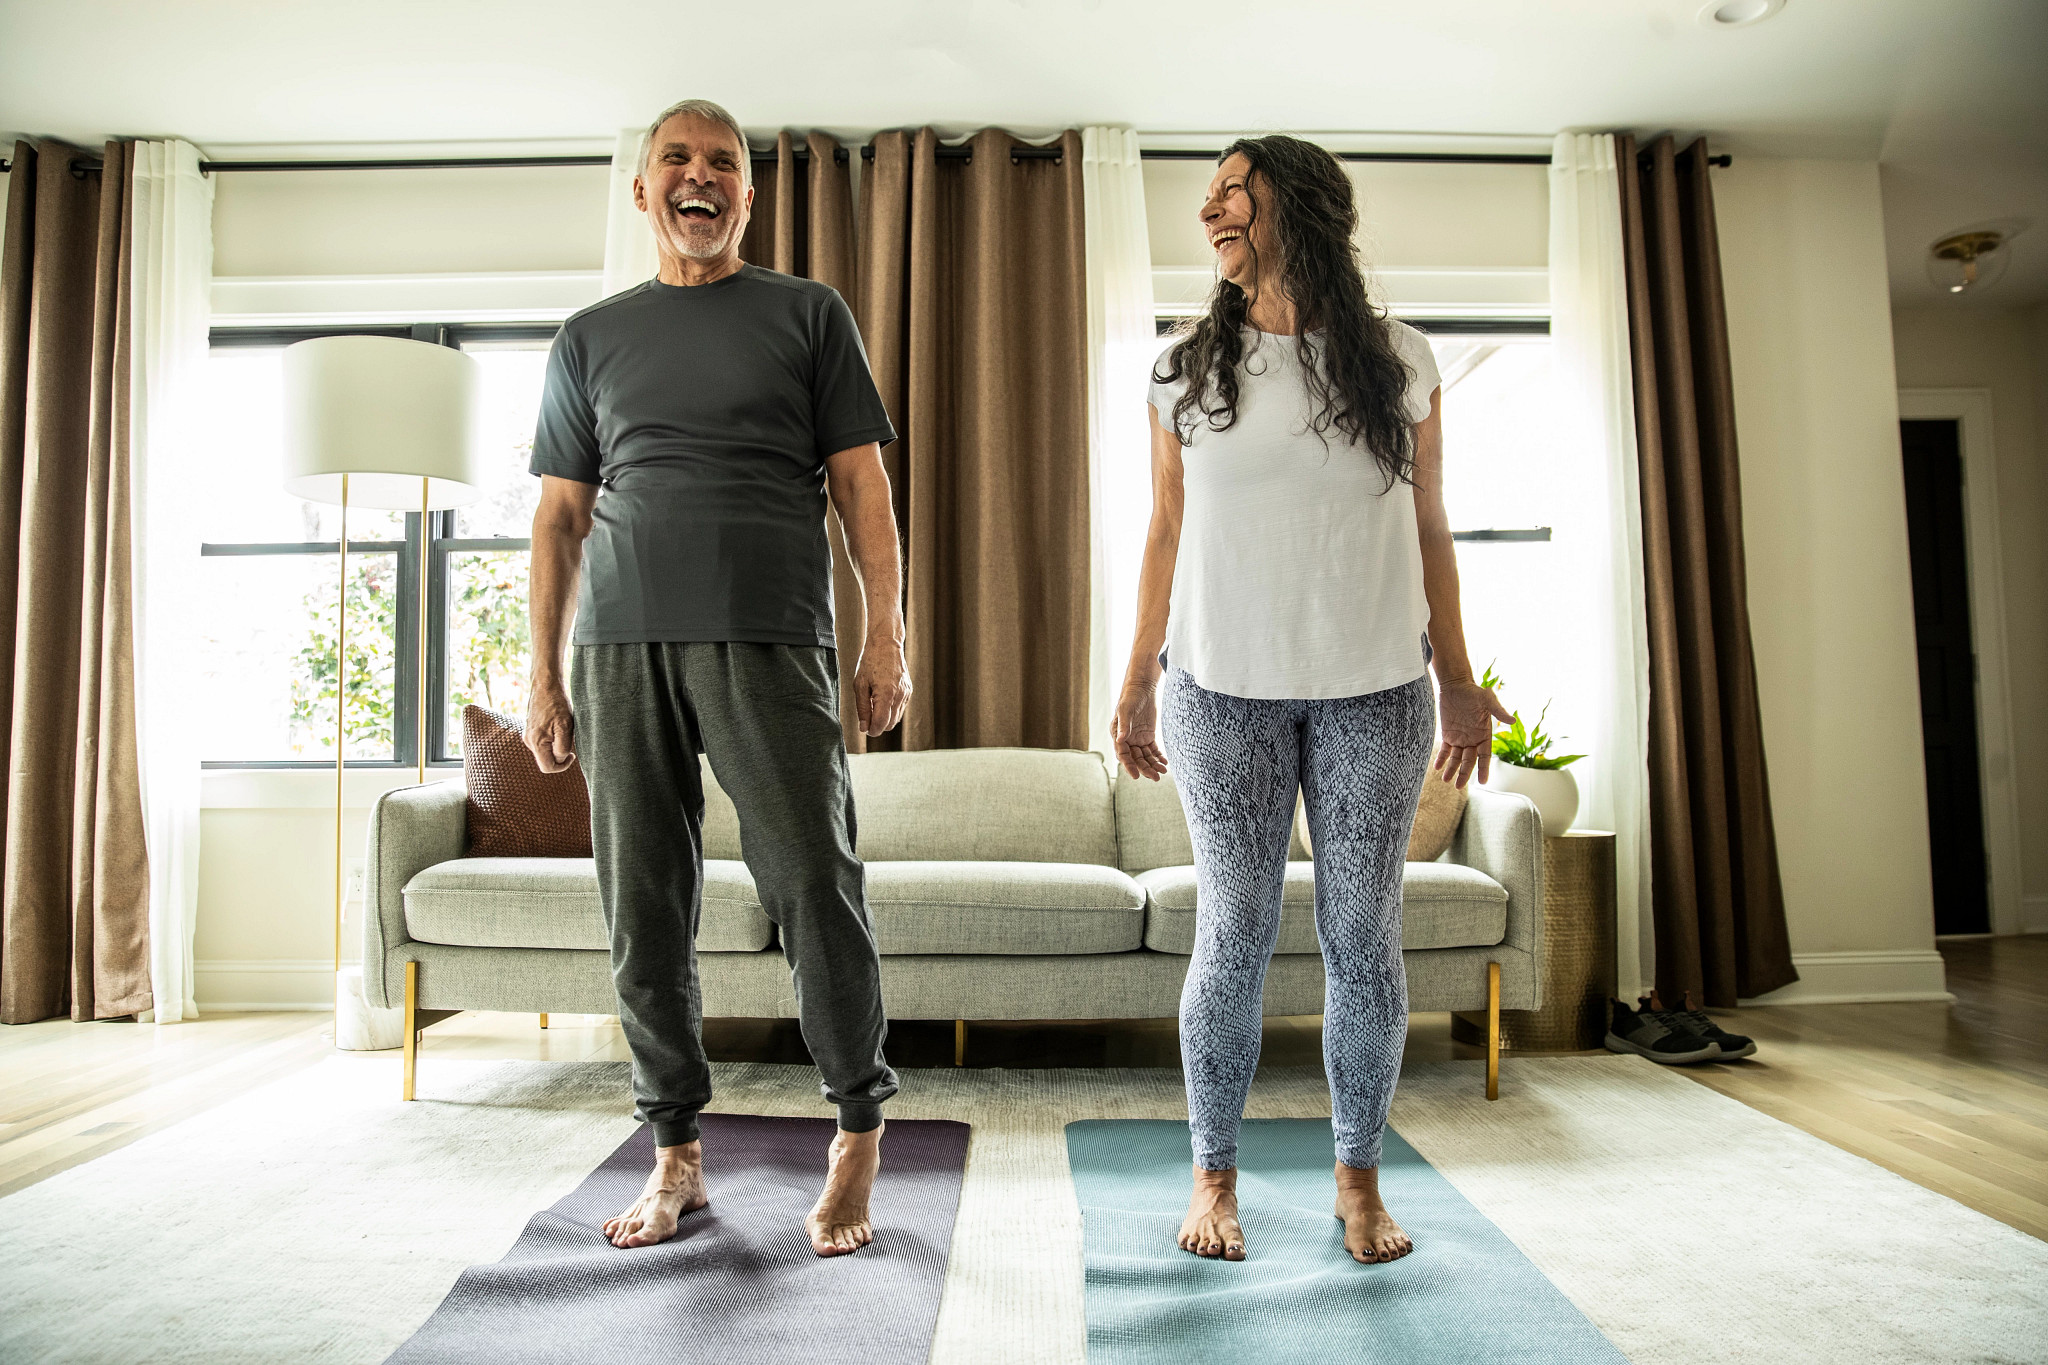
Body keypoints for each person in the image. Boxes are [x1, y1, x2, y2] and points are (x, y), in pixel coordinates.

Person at [1111, 135, 1510, 1266]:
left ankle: (1357, 1182)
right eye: (1212, 191)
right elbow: (1165, 529)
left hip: (1375, 693)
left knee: (1360, 936)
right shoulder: (1183, 367)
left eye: (1234, 187)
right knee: (1232, 930)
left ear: (1300, 204)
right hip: (1218, 690)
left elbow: (1429, 526)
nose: (1211, 205)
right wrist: (1136, 672)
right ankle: (1214, 1177)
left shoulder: (1399, 361)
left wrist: (1461, 677)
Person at [523, 98, 910, 1258]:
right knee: (642, 908)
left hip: (770, 639)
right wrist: (541, 675)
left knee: (810, 884)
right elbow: (556, 521)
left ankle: (855, 1133)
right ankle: (675, 1153)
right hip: (619, 648)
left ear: (748, 194)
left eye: (723, 165)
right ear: (643, 191)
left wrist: (886, 634)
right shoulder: (589, 338)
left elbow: (863, 492)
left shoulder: (806, 314)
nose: (700, 178)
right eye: (676, 162)